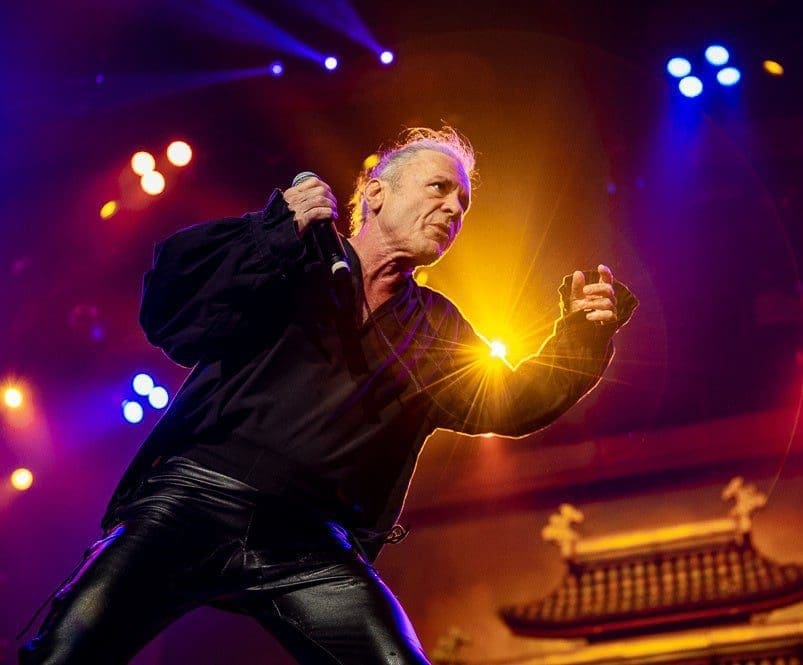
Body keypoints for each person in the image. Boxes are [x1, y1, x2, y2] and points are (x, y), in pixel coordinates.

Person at [19, 127, 637, 664]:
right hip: (194, 498)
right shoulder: (295, 256)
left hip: (309, 545)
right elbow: (172, 308)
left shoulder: (435, 327)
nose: (454, 209)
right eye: (439, 188)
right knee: (63, 650)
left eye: (464, 203)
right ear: (377, 194)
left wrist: (581, 335)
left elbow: (509, 402)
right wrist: (272, 232)